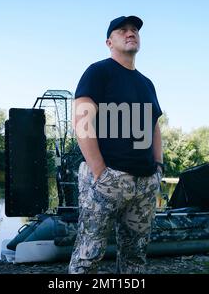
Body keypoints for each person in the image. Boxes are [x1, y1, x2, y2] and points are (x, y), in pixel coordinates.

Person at [68, 15, 164, 274]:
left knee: (135, 257)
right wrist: (99, 172)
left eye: (134, 30)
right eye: (123, 30)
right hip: (108, 178)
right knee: (89, 255)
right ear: (109, 41)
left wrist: (158, 167)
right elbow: (82, 120)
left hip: (144, 183)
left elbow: (154, 126)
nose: (130, 32)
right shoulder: (99, 72)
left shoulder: (147, 83)